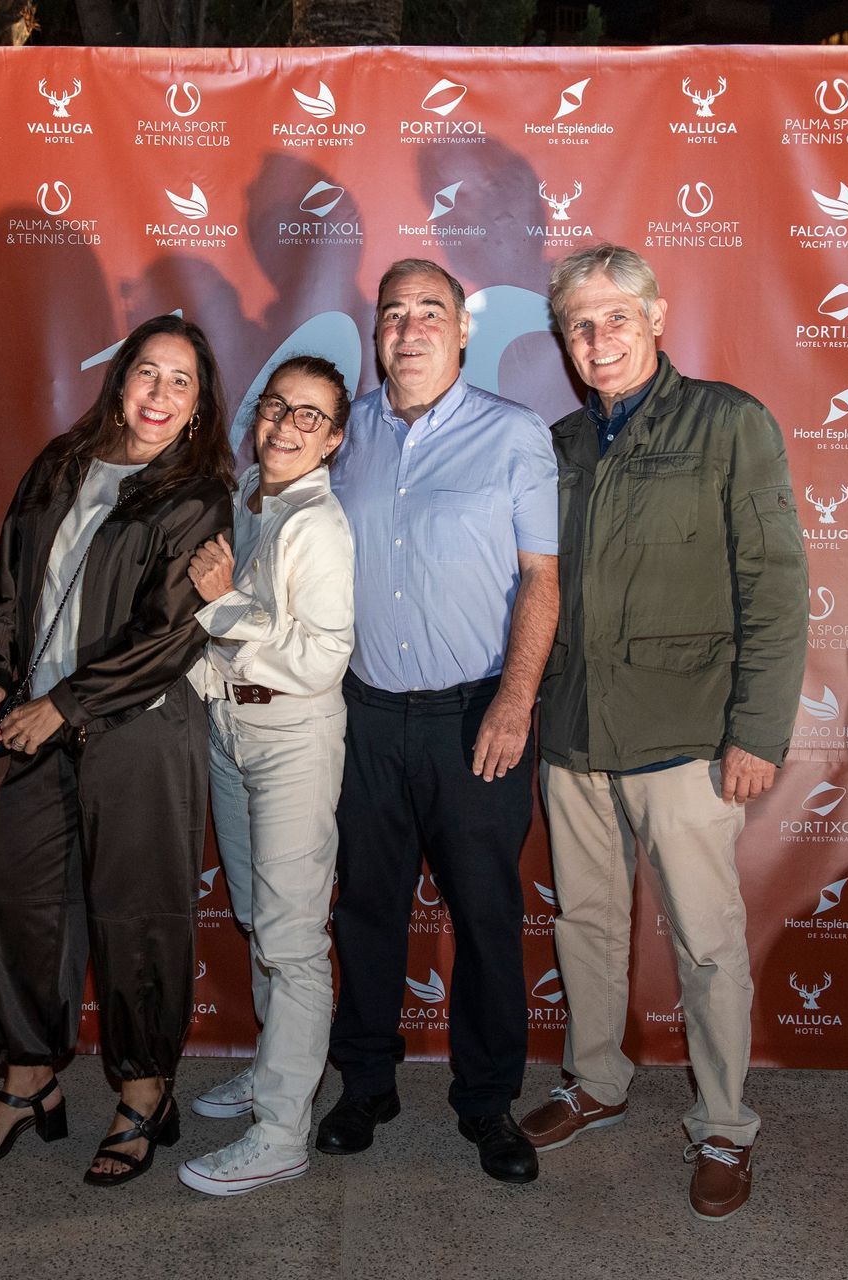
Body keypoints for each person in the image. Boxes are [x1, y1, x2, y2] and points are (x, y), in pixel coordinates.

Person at [519, 244, 807, 1221]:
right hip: (574, 729)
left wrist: (757, 729)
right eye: (579, 324)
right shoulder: (558, 443)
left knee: (708, 940)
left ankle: (724, 1123)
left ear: (656, 316)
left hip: (689, 733)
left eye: (615, 317)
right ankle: (595, 1080)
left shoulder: (729, 422)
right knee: (584, 922)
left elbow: (776, 585)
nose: (597, 339)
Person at [0, 314, 234, 1188]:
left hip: (139, 732)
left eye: (181, 380)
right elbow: (8, 584)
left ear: (199, 405)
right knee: (19, 902)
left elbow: (172, 633)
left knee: (138, 916)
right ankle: (29, 1081)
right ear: (120, 381)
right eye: (147, 372)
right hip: (36, 721)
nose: (160, 393)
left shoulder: (199, 495)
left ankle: (145, 1093)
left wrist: (63, 705)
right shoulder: (60, 465)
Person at [317, 259, 559, 1185]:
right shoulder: (344, 435)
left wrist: (515, 700)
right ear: (375, 334)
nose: (409, 328)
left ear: (463, 330)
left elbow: (541, 578)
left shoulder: (514, 433)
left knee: (487, 917)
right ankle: (365, 1084)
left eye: (430, 311)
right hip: (366, 718)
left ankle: (488, 1102)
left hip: (476, 718)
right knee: (366, 910)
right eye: (393, 313)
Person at [176, 357, 356, 1197]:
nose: (286, 426)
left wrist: (221, 603)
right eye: (277, 407)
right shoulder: (250, 489)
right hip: (230, 729)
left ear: (335, 439)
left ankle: (282, 1132)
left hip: (291, 740)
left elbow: (322, 658)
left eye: (309, 416)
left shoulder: (319, 525)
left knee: (292, 940)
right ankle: (271, 1069)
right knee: (256, 915)